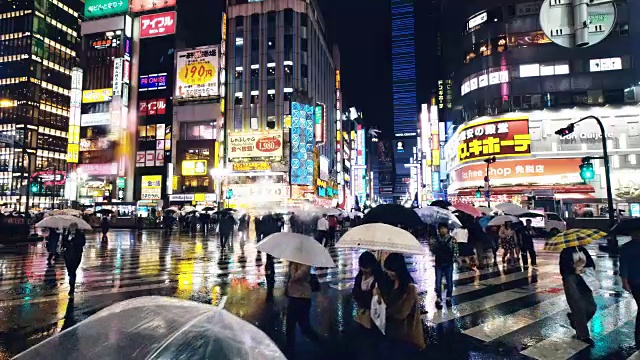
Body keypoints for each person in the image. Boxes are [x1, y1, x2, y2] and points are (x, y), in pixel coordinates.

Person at [378, 253, 425, 357]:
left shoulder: (410, 289)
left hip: (406, 336)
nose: (388, 273)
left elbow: (402, 313)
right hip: (391, 332)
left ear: (398, 269)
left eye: (390, 270)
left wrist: (385, 311)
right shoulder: (389, 283)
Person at [560, 246, 596, 345]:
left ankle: (574, 319)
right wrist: (574, 267)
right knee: (578, 307)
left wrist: (583, 267)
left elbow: (592, 264)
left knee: (591, 307)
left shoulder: (582, 249)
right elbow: (563, 270)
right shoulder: (565, 252)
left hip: (584, 280)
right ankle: (583, 335)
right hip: (571, 281)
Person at [286, 261, 321, 350]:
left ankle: (321, 343)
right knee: (290, 326)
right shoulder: (293, 262)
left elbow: (295, 277)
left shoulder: (306, 264)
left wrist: (293, 266)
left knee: (305, 327)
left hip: (302, 298)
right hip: (293, 297)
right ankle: (289, 349)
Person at [431, 223, 459, 309]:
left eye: (444, 228)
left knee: (449, 281)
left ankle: (448, 297)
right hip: (439, 263)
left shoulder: (452, 239)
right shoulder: (435, 239)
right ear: (438, 230)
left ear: (447, 229)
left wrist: (453, 259)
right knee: (438, 282)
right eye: (441, 228)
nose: (443, 230)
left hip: (448, 264)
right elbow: (432, 250)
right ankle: (438, 297)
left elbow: (456, 251)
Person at [620, 235, 640, 347]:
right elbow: (623, 266)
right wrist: (624, 281)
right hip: (635, 282)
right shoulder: (626, 248)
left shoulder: (625, 247)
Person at [62, 223, 86, 297]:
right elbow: (63, 243)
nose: (72, 229)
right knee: (69, 271)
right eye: (71, 228)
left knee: (73, 270)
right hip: (68, 254)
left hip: (77, 254)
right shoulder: (66, 233)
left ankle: (72, 287)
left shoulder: (80, 234)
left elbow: (82, 243)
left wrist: (74, 239)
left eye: (73, 228)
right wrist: (67, 239)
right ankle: (71, 282)